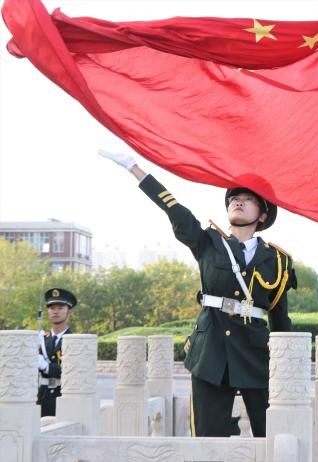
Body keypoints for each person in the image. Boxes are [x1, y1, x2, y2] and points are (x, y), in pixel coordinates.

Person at [99, 149, 296, 438]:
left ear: (263, 215)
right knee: (207, 438)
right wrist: (135, 169)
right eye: (234, 198)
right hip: (211, 351)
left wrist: (286, 365)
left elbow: (280, 319)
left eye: (248, 199)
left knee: (274, 438)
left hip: (256, 354)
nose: (238, 201)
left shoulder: (277, 261)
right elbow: (174, 209)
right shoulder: (208, 243)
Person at [37, 287, 77, 417]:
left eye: (60, 308)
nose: (55, 312)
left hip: (64, 397)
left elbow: (73, 371)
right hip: (42, 397)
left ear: (69, 311)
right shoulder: (42, 339)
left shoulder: (75, 341)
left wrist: (46, 367)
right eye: (52, 308)